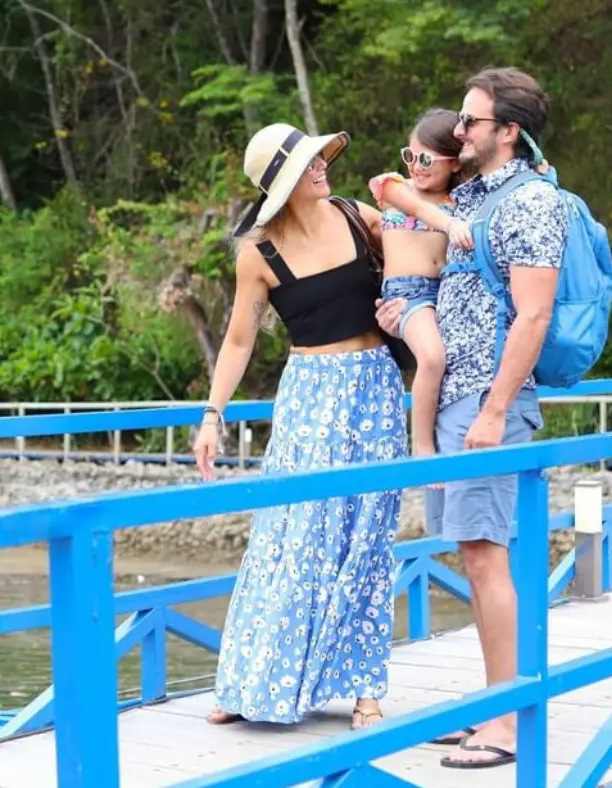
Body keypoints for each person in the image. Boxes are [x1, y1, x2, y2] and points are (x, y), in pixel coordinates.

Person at [375, 67, 566, 770]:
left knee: (486, 558)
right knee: (473, 553)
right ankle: (491, 709)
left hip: (487, 402)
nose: (458, 132)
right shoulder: (477, 198)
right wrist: (401, 318)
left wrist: (491, 412)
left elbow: (534, 313)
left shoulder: (533, 203)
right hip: (455, 394)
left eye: (470, 122)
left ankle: (507, 727)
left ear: (508, 131)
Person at [193, 121, 408, 732]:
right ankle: (248, 679)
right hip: (310, 397)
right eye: (307, 164)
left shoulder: (354, 214)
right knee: (292, 535)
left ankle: (364, 685)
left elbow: (415, 261)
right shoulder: (256, 254)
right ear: (281, 185)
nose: (322, 166)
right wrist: (212, 416)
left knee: (366, 534)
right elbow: (238, 341)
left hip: (375, 390)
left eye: (318, 158)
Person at [367, 108, 474, 468]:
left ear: (455, 163)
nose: (416, 164)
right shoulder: (395, 188)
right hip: (407, 294)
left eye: (427, 158)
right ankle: (423, 447)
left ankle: (452, 432)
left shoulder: (462, 201)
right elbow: (417, 208)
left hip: (446, 294)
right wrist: (450, 224)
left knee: (453, 364)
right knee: (432, 357)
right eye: (410, 154)